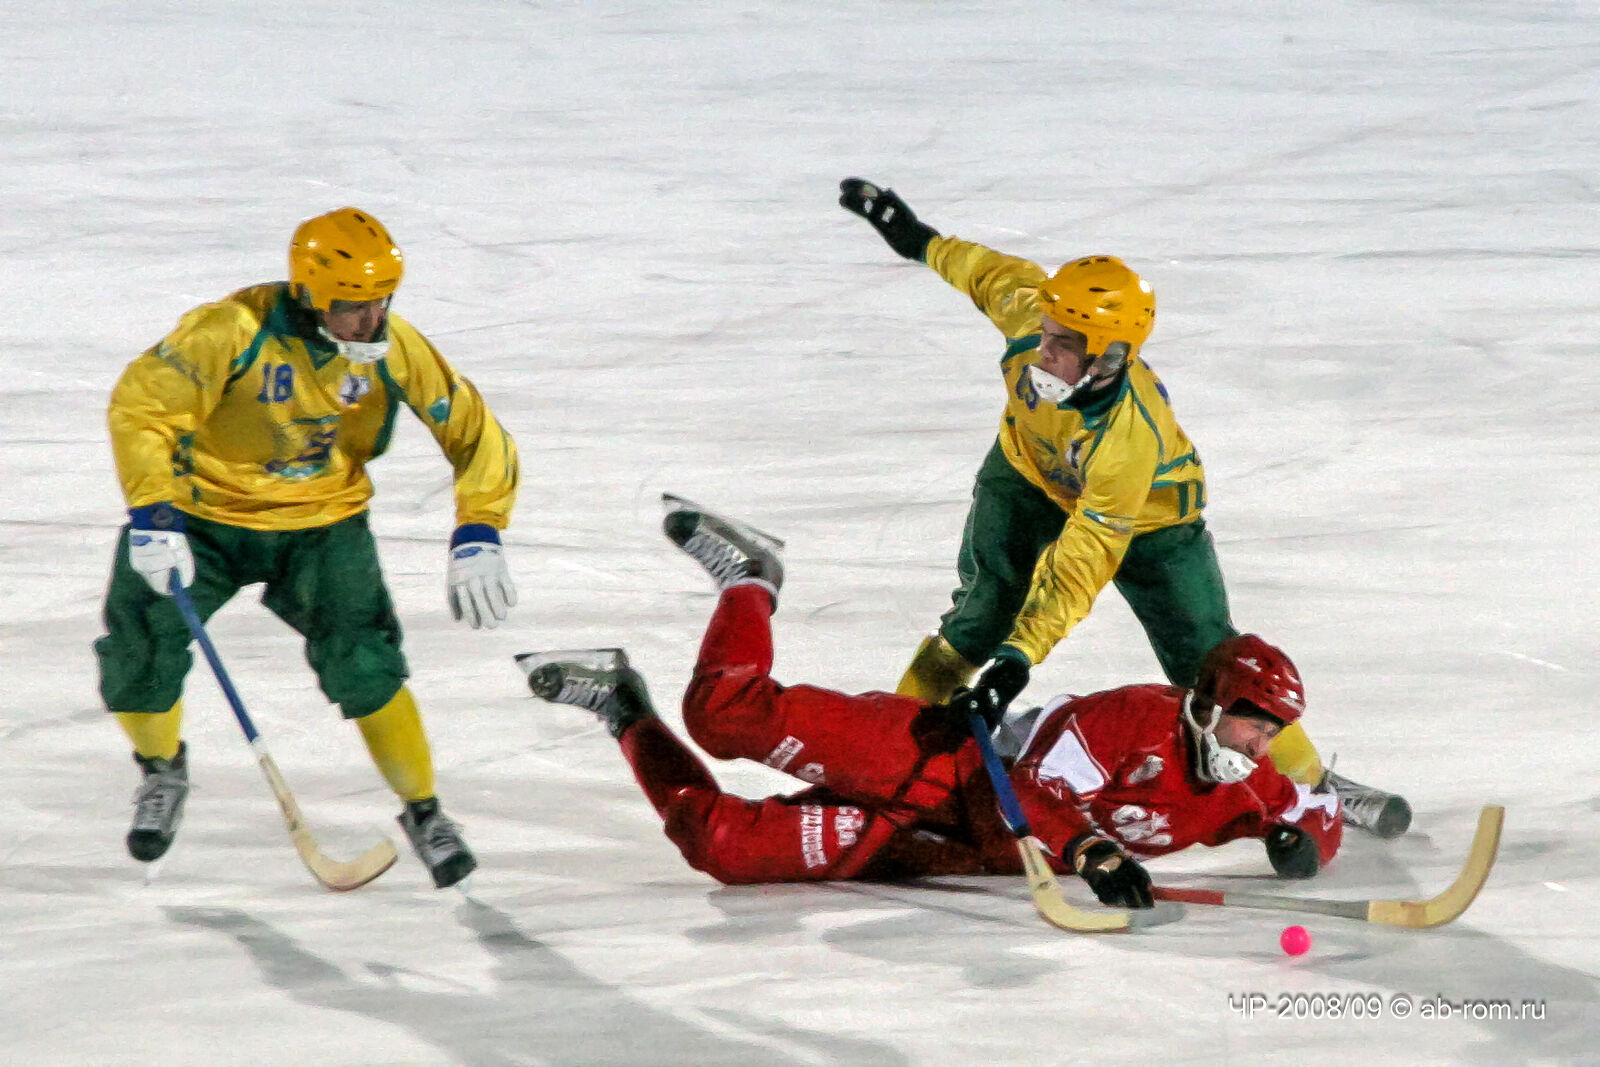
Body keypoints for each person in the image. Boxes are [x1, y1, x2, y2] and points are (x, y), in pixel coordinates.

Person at [837, 178, 1409, 838]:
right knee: (981, 613)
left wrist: (1018, 661)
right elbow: (992, 275)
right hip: (1028, 474)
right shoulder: (1037, 326)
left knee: (1211, 659)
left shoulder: (1129, 438)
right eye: (1046, 332)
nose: (1042, 350)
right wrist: (919, 240)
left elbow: (1082, 562)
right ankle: (885, 757)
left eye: (1060, 344)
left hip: (1151, 520)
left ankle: (1310, 787)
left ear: (1108, 357)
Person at [516, 499, 1342, 902]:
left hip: (960, 847)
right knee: (725, 714)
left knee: (720, 845)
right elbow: (1030, 790)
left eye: (1274, 731)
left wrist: (1299, 841)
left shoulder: (1248, 784)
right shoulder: (1135, 716)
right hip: (943, 760)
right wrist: (1091, 850)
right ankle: (751, 579)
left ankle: (623, 706)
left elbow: (1321, 809)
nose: (1261, 744)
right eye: (1254, 722)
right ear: (1210, 701)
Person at [95, 207, 520, 888]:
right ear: (310, 294)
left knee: (366, 660)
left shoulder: (394, 348)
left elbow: (474, 431)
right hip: (200, 519)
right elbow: (142, 407)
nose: (370, 320)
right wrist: (152, 513)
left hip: (323, 525)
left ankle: (425, 811)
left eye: (380, 301)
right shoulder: (230, 332)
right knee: (139, 648)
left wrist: (480, 526)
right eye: (351, 306)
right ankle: (161, 768)